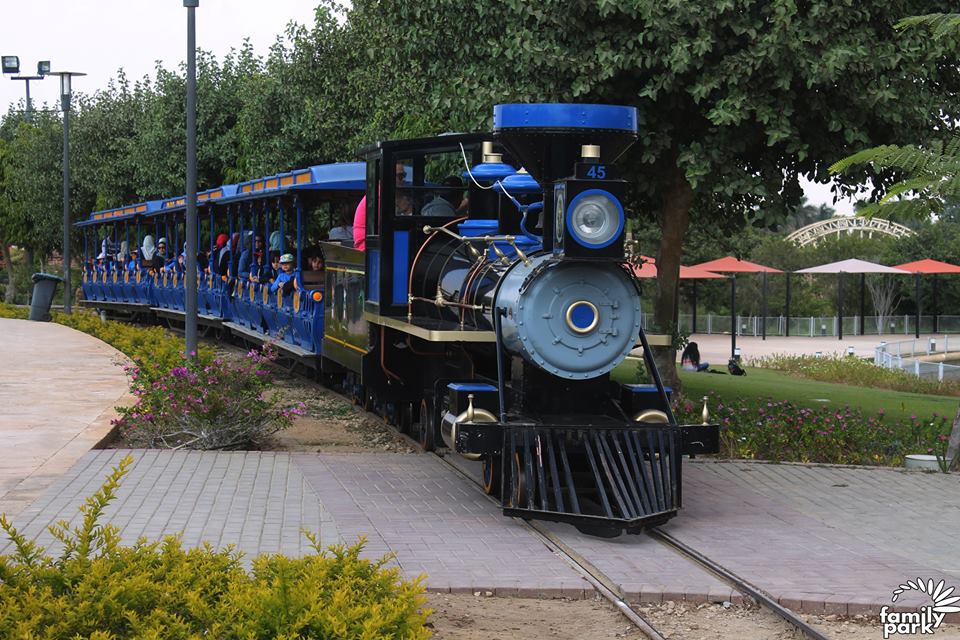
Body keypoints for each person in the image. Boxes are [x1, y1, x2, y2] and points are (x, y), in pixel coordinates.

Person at [353, 163, 409, 250]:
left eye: (404, 175)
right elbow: (393, 226)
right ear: (387, 177)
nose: (403, 180)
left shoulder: (389, 195)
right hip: (368, 248)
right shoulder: (378, 197)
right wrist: (406, 210)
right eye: (400, 176)